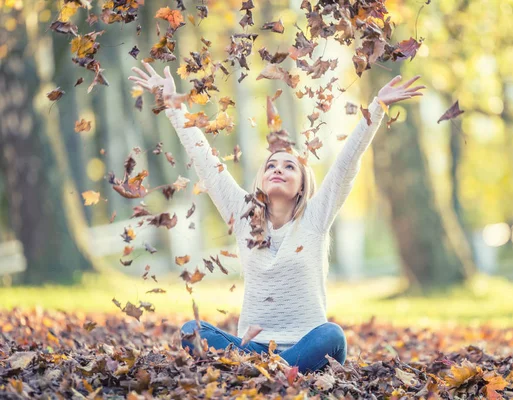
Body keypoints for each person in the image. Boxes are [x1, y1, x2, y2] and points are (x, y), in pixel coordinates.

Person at [128, 62, 425, 373]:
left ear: (302, 185)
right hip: (254, 347)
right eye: (271, 165)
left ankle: (266, 369)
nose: (278, 169)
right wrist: (174, 105)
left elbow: (346, 165)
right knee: (191, 329)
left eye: (288, 166)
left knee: (332, 334)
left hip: (309, 345)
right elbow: (205, 160)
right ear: (261, 180)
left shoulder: (315, 217)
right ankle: (273, 368)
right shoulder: (243, 215)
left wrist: (377, 107)